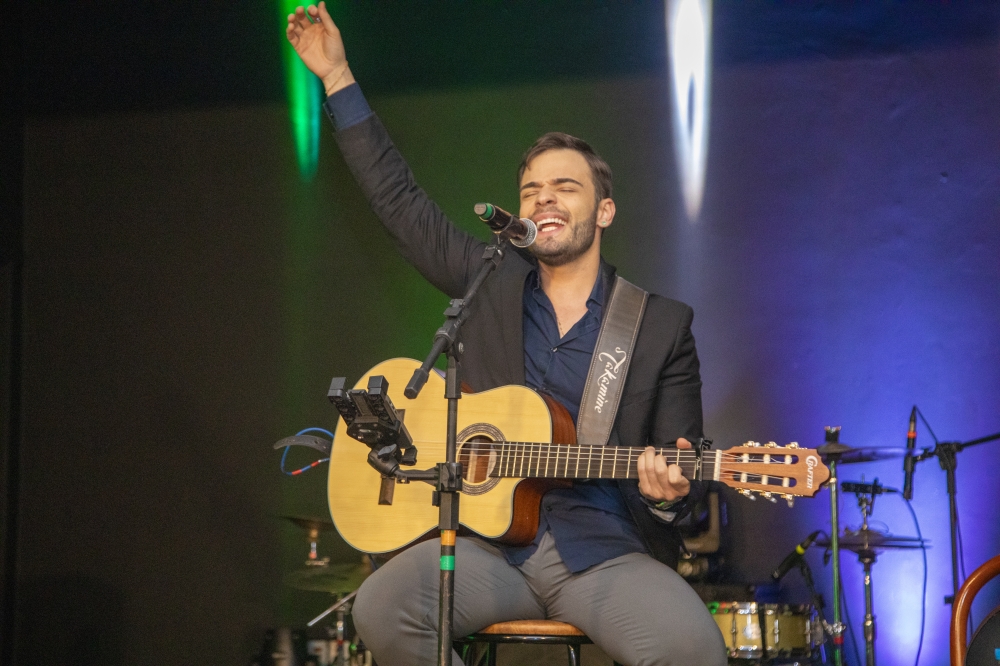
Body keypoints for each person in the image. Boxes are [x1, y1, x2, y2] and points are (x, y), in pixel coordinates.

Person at [286, 5, 727, 665]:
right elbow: (399, 203)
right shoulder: (487, 279)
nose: (544, 198)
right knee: (381, 610)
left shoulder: (661, 325)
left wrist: (670, 495)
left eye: (565, 187)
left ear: (604, 211)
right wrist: (337, 78)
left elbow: (683, 472)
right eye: (531, 190)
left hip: (600, 553)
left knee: (694, 651)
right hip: (487, 549)